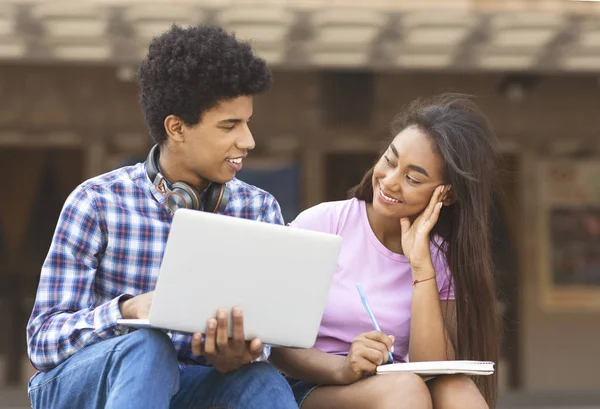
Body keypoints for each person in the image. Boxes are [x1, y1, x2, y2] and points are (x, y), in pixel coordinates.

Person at [26, 24, 298, 409]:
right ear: (177, 128)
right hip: (87, 385)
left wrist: (237, 353)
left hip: (193, 382)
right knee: (147, 346)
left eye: (247, 122)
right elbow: (43, 341)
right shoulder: (96, 201)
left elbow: (267, 339)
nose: (248, 140)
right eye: (229, 125)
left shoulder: (259, 209)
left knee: (261, 378)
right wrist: (127, 311)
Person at [270, 94, 501, 409]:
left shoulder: (440, 257)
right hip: (315, 386)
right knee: (405, 391)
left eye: (412, 178)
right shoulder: (322, 224)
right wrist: (344, 366)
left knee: (456, 388)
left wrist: (421, 268)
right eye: (390, 161)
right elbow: (277, 343)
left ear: (445, 196)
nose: (390, 182)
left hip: (395, 385)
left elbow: (432, 368)